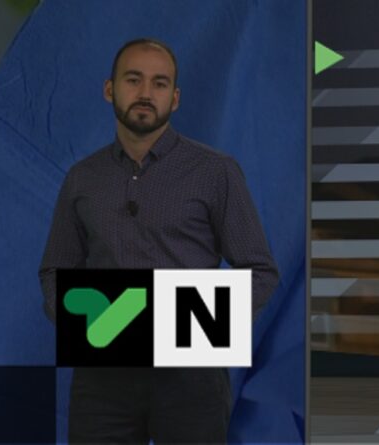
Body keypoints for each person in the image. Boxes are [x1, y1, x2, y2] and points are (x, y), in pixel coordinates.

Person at [39, 38, 279, 444]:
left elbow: (260, 270)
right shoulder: (83, 178)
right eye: (133, 80)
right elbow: (54, 270)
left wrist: (197, 326)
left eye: (160, 83)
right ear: (110, 89)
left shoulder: (214, 172)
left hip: (192, 378)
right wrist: (81, 323)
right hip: (103, 379)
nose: (146, 93)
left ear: (176, 98)